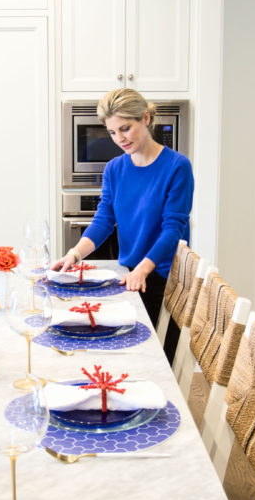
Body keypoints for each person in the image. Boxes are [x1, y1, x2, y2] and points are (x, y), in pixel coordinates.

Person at [53, 88, 194, 357]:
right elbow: (104, 220)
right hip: (128, 273)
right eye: (112, 132)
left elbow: (173, 228)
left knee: (159, 358)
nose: (119, 138)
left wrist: (142, 270)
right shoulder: (115, 169)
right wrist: (74, 254)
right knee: (125, 355)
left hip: (164, 277)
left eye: (126, 128)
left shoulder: (177, 166)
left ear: (146, 118)